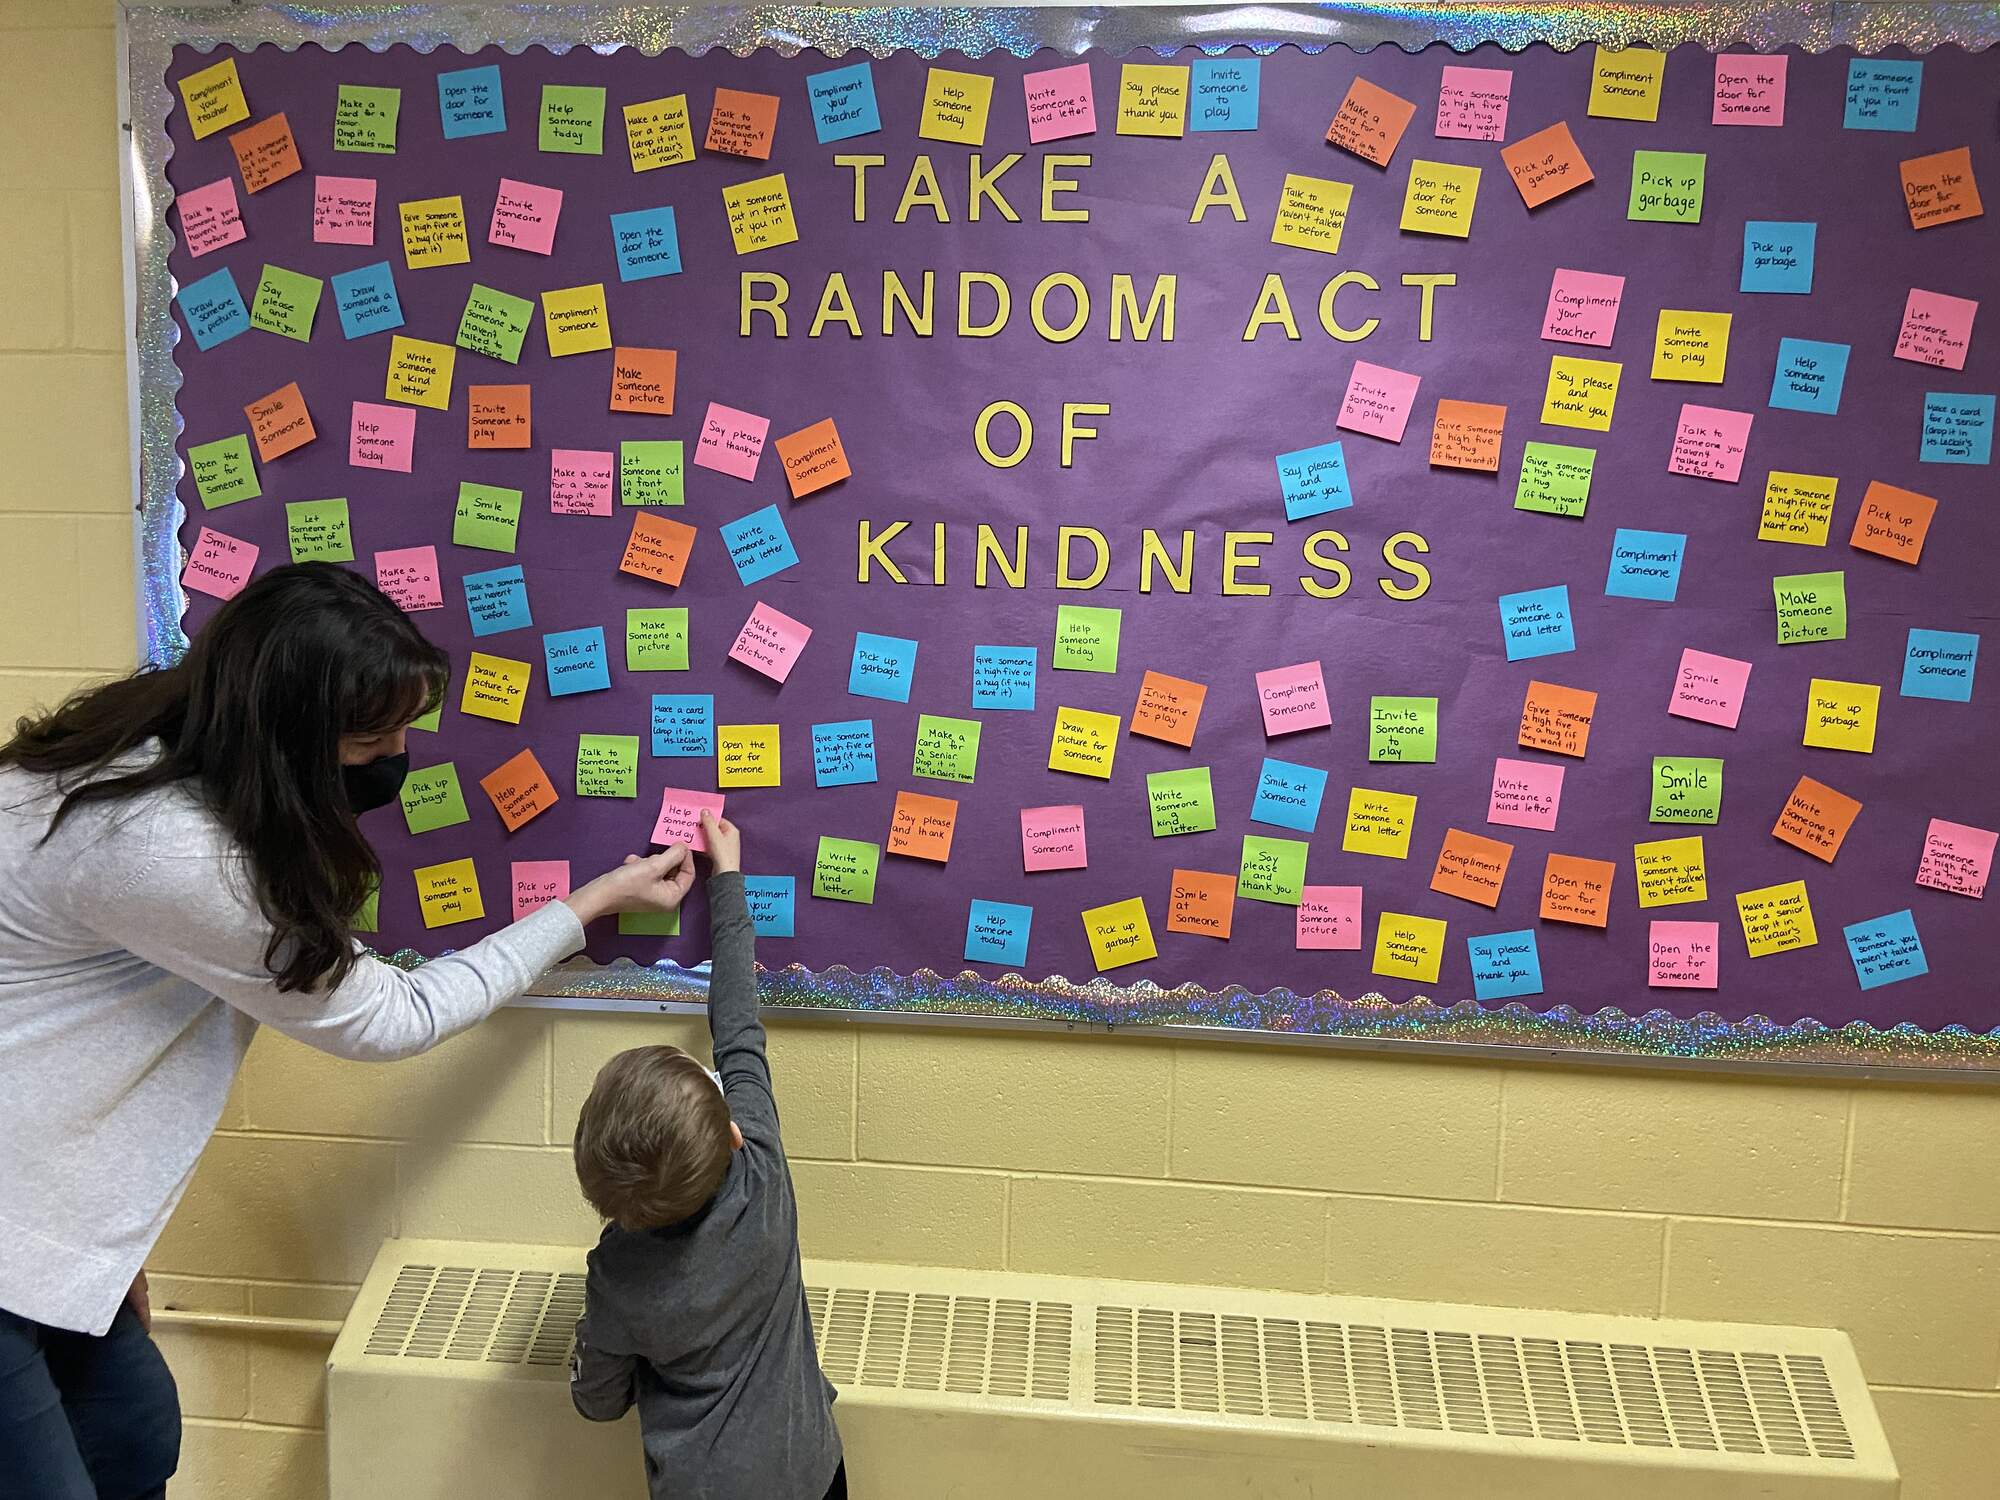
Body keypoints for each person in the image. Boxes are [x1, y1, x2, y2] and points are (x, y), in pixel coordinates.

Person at [0, 563, 698, 1500]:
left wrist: (92, 1252)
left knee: (132, 1436)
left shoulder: (153, 743)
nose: (396, 758)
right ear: (283, 736)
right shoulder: (170, 852)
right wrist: (585, 908)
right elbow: (394, 1016)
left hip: (39, 1225)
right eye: (372, 738)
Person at [571, 809, 843, 1500]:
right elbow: (738, 1027)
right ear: (731, 1134)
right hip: (810, 1474)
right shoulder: (762, 1175)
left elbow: (596, 1401)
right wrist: (729, 877)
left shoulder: (618, 1272)